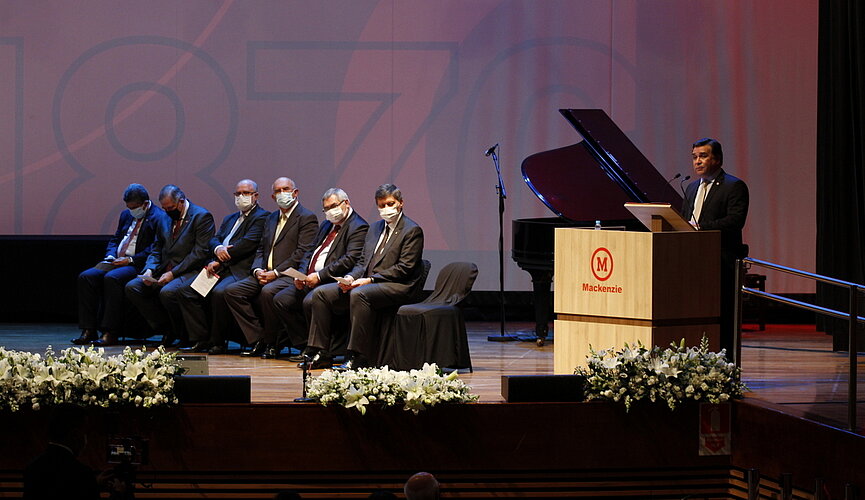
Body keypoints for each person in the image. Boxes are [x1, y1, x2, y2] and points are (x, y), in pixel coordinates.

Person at [304, 183, 424, 369]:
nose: (386, 209)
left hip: (399, 285)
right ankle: (321, 352)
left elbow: (404, 268)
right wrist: (351, 278)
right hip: (368, 283)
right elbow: (362, 262)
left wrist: (370, 280)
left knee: (360, 294)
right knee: (321, 294)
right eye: (381, 205)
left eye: (390, 204)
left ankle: (356, 355)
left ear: (401, 203)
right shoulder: (375, 228)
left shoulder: (412, 230)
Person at [223, 177, 318, 359]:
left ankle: (272, 344)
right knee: (232, 291)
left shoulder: (307, 217)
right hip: (264, 272)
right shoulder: (271, 217)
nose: (282, 194)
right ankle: (258, 338)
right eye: (278, 191)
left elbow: (300, 253)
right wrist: (257, 270)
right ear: (273, 197)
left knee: (268, 292)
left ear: (295, 192)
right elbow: (261, 248)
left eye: (286, 189)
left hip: (288, 274)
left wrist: (275, 273)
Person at [272, 188, 368, 367]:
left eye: (333, 206)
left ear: (346, 203)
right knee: (281, 299)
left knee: (311, 300)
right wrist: (301, 275)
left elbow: (349, 260)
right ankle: (305, 345)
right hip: (311, 279)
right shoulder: (326, 225)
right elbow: (309, 251)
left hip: (332, 281)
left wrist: (319, 276)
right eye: (326, 208)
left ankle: (321, 351)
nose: (330, 211)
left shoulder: (359, 226)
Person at [176, 179, 268, 354]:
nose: (241, 197)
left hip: (239, 268)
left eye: (246, 193)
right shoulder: (230, 218)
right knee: (186, 291)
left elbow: (247, 243)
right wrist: (218, 249)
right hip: (219, 267)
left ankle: (218, 341)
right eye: (238, 193)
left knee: (219, 293)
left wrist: (221, 260)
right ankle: (201, 338)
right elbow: (213, 240)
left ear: (255, 196)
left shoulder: (262, 217)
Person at [74, 184, 168, 346]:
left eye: (135, 207)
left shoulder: (159, 218)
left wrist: (130, 260)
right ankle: (88, 329)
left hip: (137, 263)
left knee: (112, 278)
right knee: (86, 277)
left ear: (145, 204)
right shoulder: (126, 215)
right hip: (117, 260)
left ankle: (110, 331)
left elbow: (154, 249)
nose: (132, 211)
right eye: (129, 207)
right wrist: (110, 255)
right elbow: (116, 239)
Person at [681, 138, 749, 356]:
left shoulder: (733, 185)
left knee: (723, 317)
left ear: (717, 159)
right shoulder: (691, 188)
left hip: (721, 262)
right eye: (694, 157)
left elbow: (735, 221)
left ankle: (726, 365)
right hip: (694, 263)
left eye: (703, 156)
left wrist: (701, 228)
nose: (697, 162)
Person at [125, 184, 215, 347]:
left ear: (181, 201)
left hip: (190, 270)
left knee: (168, 292)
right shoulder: (165, 217)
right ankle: (167, 328)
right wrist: (150, 269)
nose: (167, 211)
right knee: (134, 287)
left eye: (171, 207)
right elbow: (156, 247)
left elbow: (199, 253)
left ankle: (188, 334)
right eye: (164, 208)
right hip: (165, 269)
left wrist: (173, 273)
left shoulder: (201, 216)